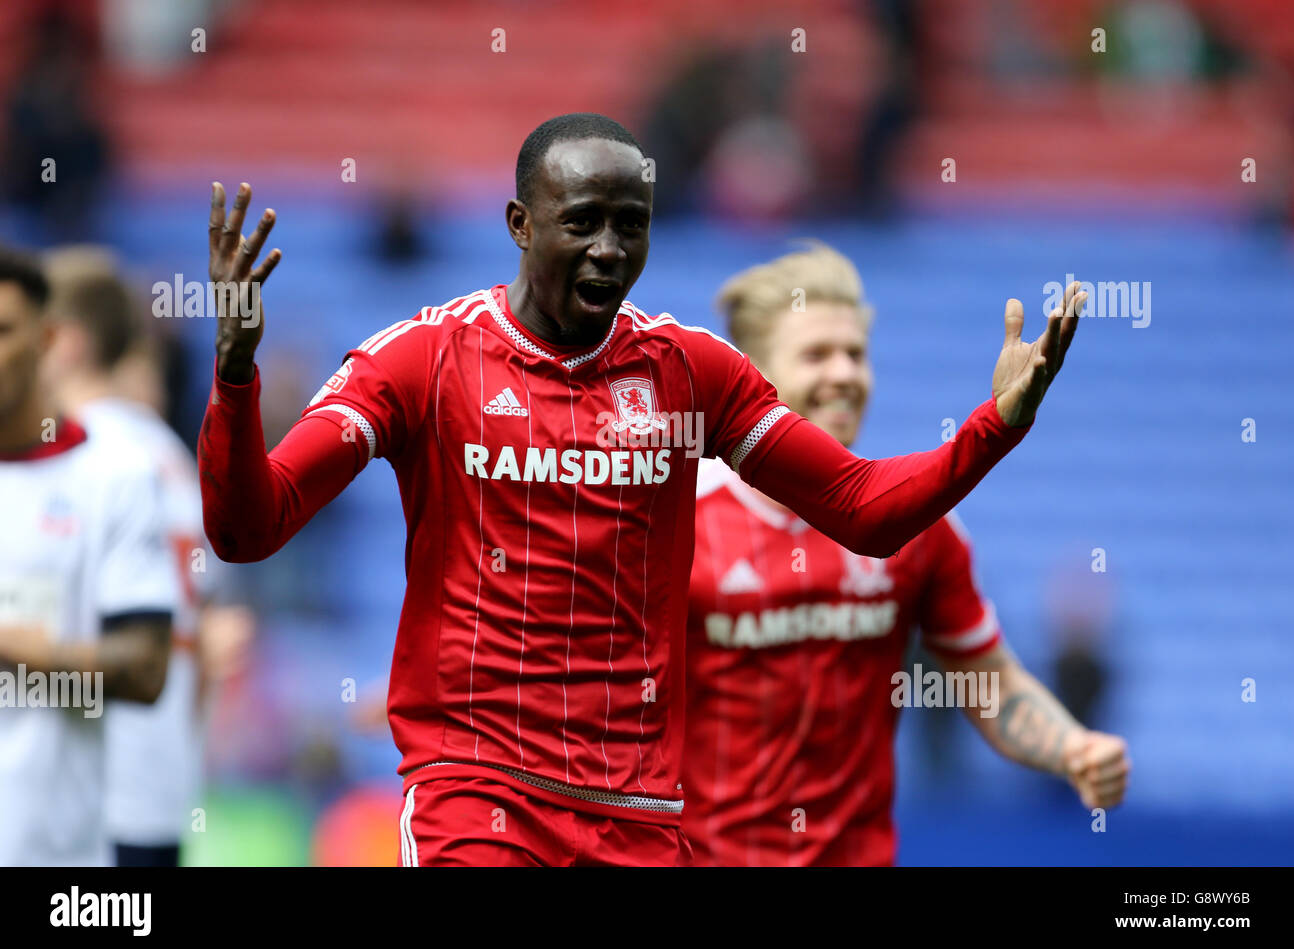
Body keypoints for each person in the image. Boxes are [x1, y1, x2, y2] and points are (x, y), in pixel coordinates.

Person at [198, 113, 1085, 866]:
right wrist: (236, 380)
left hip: (642, 817)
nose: (611, 250)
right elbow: (249, 527)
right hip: (478, 797)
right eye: (582, 221)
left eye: (634, 224)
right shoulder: (421, 362)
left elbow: (865, 509)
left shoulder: (690, 373)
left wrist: (996, 422)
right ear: (519, 222)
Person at [682, 243, 1130, 865]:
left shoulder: (923, 528)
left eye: (856, 354)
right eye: (817, 354)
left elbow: (987, 682)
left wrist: (1071, 746)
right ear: (753, 378)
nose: (844, 373)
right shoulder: (677, 525)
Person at [43, 246, 254, 867]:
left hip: (88, 788)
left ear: (68, 342)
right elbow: (214, 627)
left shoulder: (77, 456)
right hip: (159, 780)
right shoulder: (165, 455)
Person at [0, 246, 176, 866]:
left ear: (49, 339)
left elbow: (147, 671)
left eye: (2, 331)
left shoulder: (115, 474)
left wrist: (15, 650)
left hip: (62, 858)